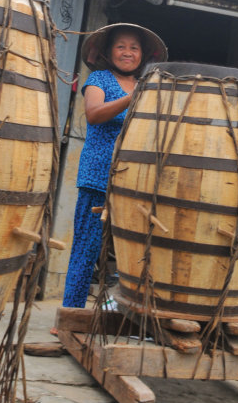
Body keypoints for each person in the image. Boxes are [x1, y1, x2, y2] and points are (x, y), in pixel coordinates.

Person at [60, 23, 168, 313]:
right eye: (121, 46)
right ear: (108, 52)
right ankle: (70, 314)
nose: (127, 52)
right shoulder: (99, 79)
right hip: (98, 176)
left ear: (143, 55)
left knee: (134, 249)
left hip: (136, 179)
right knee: (87, 247)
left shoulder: (150, 88)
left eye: (134, 48)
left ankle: (122, 311)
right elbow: (94, 115)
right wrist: (133, 98)